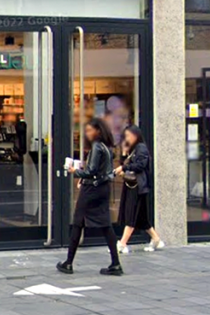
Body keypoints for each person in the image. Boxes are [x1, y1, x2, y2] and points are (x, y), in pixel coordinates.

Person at [57, 118, 122, 276]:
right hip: (103, 188)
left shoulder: (96, 147)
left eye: (89, 130)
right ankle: (115, 263)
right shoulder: (107, 148)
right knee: (106, 224)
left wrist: (75, 171)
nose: (87, 133)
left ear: (98, 131)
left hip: (91, 190)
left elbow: (91, 171)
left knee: (78, 222)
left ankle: (68, 262)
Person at [114, 125, 164, 253]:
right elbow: (126, 163)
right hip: (132, 185)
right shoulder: (133, 149)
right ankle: (156, 239)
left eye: (128, 135)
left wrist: (124, 168)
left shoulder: (141, 148)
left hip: (138, 186)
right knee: (142, 218)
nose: (127, 138)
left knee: (131, 214)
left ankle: (122, 243)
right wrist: (124, 153)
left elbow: (141, 165)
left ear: (136, 135)